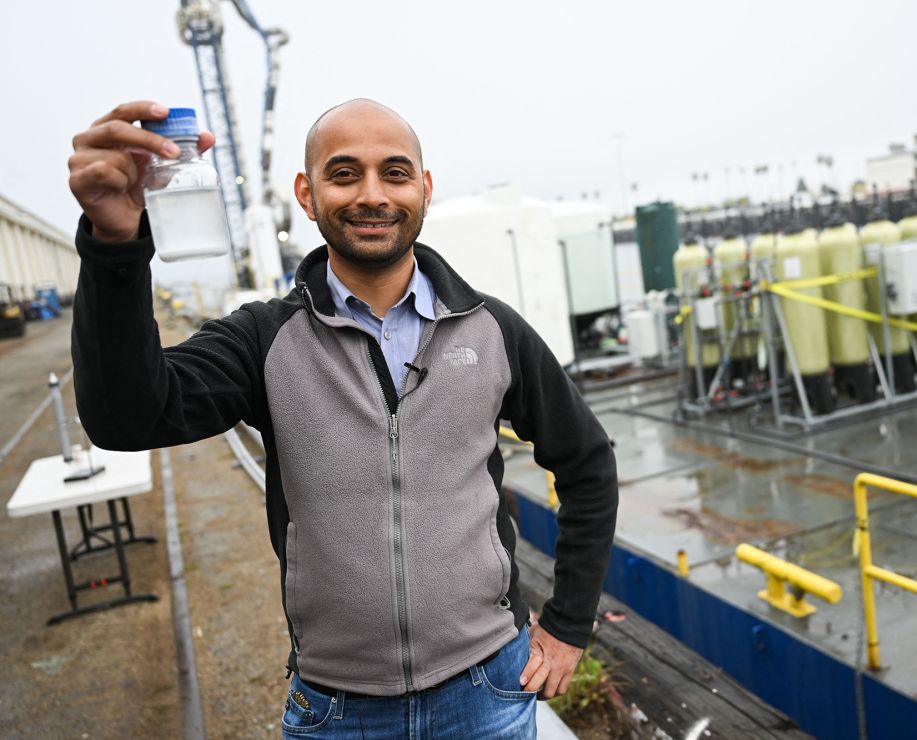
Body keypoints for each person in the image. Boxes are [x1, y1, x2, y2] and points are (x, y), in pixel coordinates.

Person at [68, 99, 619, 738]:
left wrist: (568, 626)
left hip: (487, 689)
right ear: (307, 194)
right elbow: (128, 419)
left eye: (394, 172)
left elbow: (586, 462)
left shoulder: (493, 331)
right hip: (337, 711)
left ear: (424, 189)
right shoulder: (263, 341)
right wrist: (114, 247)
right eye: (344, 173)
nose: (372, 194)